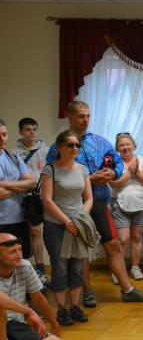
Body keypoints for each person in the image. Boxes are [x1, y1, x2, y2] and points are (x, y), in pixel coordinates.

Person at [45, 101, 143, 304]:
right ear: (70, 117)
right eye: (81, 116)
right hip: (74, 207)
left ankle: (128, 290)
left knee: (113, 244)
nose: (86, 120)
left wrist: (114, 172)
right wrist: (89, 179)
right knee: (82, 251)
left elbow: (117, 161)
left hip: (99, 203)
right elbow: (53, 174)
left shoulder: (100, 141)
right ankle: (87, 292)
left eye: (88, 116)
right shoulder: (58, 147)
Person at [41, 131, 94, 325]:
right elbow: (47, 200)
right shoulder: (50, 169)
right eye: (70, 145)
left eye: (77, 145)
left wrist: (79, 219)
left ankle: (75, 307)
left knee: (77, 267)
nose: (75, 149)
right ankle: (62, 309)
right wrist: (67, 222)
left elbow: (88, 198)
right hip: (56, 225)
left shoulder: (83, 169)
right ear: (60, 147)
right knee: (60, 266)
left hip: (78, 224)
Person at [0, 233, 70, 340]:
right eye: (13, 252)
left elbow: (39, 298)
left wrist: (55, 326)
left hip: (17, 326)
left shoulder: (24, 266)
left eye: (20, 250)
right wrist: (29, 312)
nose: (19, 255)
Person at [109, 133, 143, 283]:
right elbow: (113, 183)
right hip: (119, 203)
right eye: (121, 145)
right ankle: (118, 271)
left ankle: (135, 267)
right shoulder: (114, 162)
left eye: (128, 144)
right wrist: (130, 172)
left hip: (140, 203)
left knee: (136, 237)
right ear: (117, 148)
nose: (125, 147)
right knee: (123, 239)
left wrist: (137, 171)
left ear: (133, 145)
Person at [13, 117, 49, 282]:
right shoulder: (14, 153)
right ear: (21, 132)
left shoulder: (46, 150)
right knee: (32, 232)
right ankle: (35, 268)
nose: (32, 132)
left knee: (47, 232)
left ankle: (44, 267)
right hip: (25, 197)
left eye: (34, 129)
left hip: (44, 195)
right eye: (28, 129)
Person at [0, 119, 36, 261]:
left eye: (4, 134)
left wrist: (4, 184)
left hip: (18, 220)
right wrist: (20, 187)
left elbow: (32, 183)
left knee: (20, 261)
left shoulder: (13, 158)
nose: (2, 139)